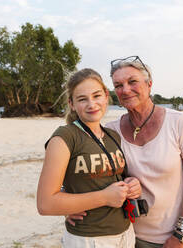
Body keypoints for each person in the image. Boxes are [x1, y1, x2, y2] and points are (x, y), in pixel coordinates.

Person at [68, 57, 183, 248]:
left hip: (168, 239)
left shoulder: (178, 122)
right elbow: (80, 173)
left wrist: (180, 236)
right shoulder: (110, 131)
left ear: (149, 84)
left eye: (132, 81)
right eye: (118, 85)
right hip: (122, 236)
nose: (125, 89)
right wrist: (68, 205)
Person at [36, 68, 142, 248]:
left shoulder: (112, 136)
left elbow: (109, 179)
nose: (92, 104)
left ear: (106, 96)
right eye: (82, 99)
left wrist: (132, 185)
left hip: (126, 234)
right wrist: (104, 197)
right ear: (71, 104)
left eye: (96, 96)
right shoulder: (65, 137)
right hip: (89, 239)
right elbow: (45, 204)